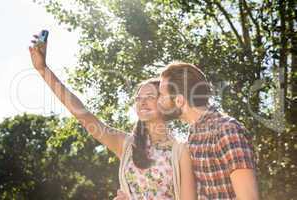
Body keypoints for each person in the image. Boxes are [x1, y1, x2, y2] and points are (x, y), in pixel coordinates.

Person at [28, 35, 196, 200]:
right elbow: (82, 113)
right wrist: (43, 69)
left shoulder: (181, 152)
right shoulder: (128, 145)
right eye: (138, 98)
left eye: (150, 96)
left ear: (166, 103)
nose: (142, 102)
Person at [157, 62, 259, 200]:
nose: (159, 101)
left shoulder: (227, 131)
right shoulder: (193, 136)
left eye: (162, 95)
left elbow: (249, 198)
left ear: (179, 101)